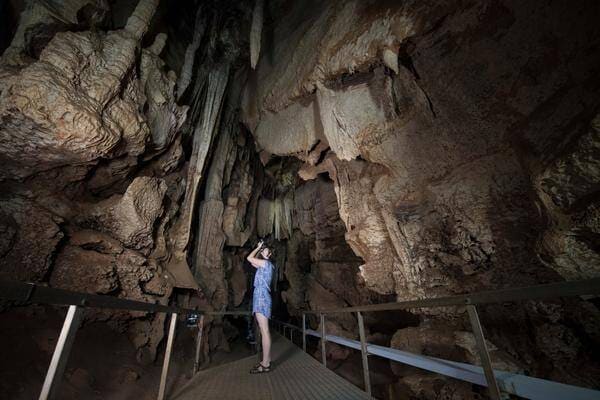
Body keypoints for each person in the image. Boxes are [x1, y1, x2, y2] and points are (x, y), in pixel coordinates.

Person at [246, 239, 274, 373]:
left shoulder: (265, 263)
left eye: (266, 249)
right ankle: (266, 360)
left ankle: (265, 364)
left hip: (262, 297)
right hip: (261, 296)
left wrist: (258, 248)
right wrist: (260, 249)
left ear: (270, 254)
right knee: (264, 330)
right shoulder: (265, 265)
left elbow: (248, 257)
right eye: (264, 249)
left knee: (264, 331)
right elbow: (252, 262)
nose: (264, 250)